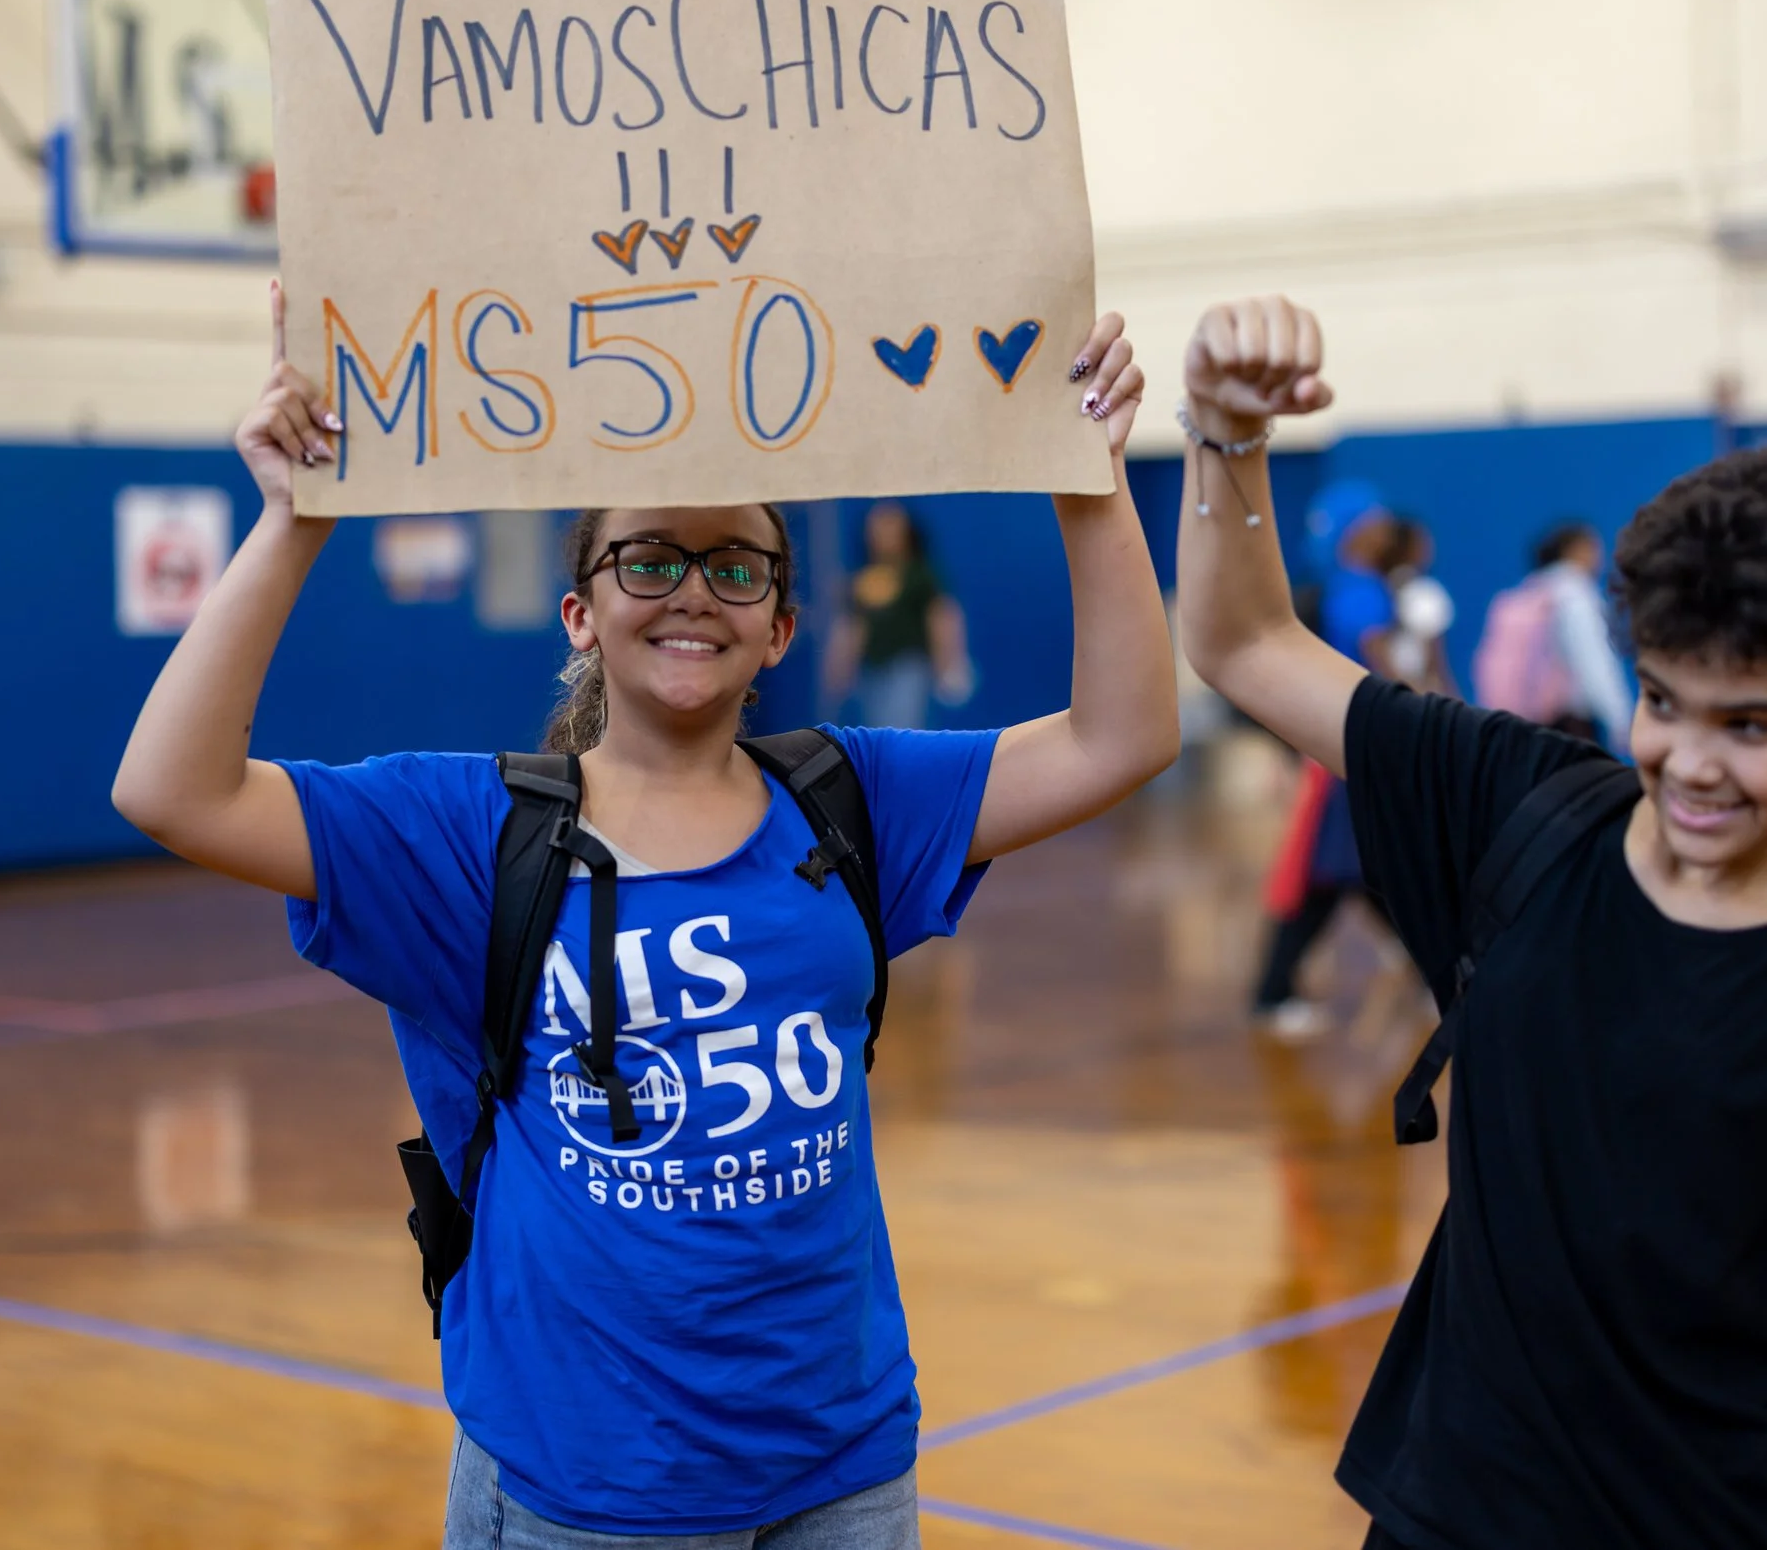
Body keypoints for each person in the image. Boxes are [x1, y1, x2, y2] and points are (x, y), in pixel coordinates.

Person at [111, 285, 1176, 1546]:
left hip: (841, 1467)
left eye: (736, 566)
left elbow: (1125, 735)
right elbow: (168, 788)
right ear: (583, 610)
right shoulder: (470, 832)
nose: (692, 592)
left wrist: (1087, 475)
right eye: (648, 558)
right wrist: (292, 523)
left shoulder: (855, 797)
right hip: (590, 1483)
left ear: (781, 622)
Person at [1175, 296, 1767, 1550]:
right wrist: (1225, 430)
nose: (1689, 761)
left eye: (1748, 725)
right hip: (1455, 1517)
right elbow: (1241, 636)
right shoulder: (1518, 814)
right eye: (1661, 699)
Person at [1250, 481, 1400, 1039]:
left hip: (1337, 750)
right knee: (1329, 877)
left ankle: (1445, 972)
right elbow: (1385, 673)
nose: (1388, 532)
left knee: (1369, 872)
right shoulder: (1363, 592)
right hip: (1345, 758)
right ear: (1358, 531)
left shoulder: (1335, 589)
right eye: (1379, 522)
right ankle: (1271, 992)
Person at [1472, 521, 1632, 745]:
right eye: (1592, 547)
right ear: (1573, 550)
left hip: (1523, 724)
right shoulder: (1575, 595)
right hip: (1569, 724)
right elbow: (1592, 659)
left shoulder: (1526, 592)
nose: (1599, 556)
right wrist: (1619, 718)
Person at [824, 501, 972, 730]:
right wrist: (840, 669)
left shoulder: (920, 575)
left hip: (908, 667)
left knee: (904, 728)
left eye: (891, 525)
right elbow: (853, 626)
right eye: (876, 526)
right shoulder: (862, 579)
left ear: (906, 531)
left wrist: (950, 664)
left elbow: (941, 617)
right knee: (876, 731)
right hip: (872, 671)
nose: (883, 533)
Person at [1384, 517, 1455, 696]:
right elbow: (1434, 658)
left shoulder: (1379, 586)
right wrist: (1452, 697)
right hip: (1417, 689)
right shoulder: (1425, 593)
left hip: (1385, 688)